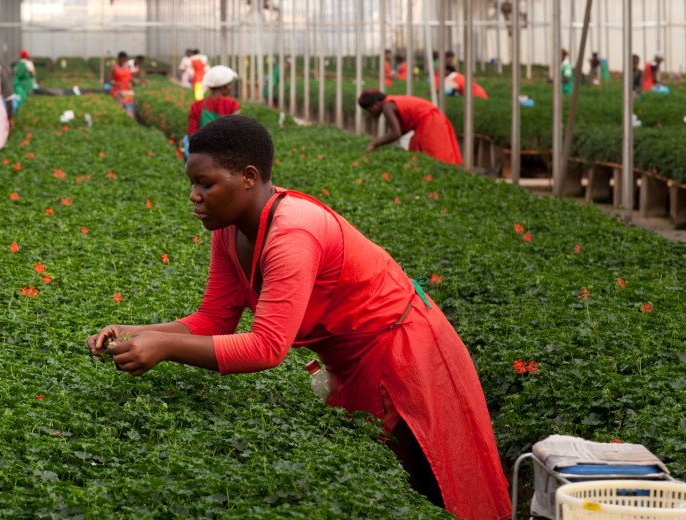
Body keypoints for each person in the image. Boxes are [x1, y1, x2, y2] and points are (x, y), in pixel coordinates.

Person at [87, 115, 511, 520]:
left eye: (206, 183)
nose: (194, 195)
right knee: (384, 480)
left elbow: (267, 348)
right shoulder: (228, 229)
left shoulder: (293, 233)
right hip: (354, 357)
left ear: (249, 177)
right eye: (192, 183)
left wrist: (164, 347)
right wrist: (135, 331)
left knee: (429, 486)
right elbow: (215, 318)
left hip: (405, 355)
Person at [358, 90, 462, 165]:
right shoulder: (391, 102)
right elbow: (400, 131)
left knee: (434, 155)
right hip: (430, 120)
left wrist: (375, 143)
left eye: (370, 109)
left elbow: (396, 133)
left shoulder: (387, 106)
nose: (371, 113)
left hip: (431, 122)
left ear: (377, 104)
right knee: (418, 154)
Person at [187, 65, 240, 136]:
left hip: (202, 146)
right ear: (225, 86)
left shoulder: (197, 106)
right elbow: (237, 132)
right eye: (230, 84)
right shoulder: (232, 104)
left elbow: (192, 133)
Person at [110, 52, 136, 117]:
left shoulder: (127, 67)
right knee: (120, 106)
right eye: (122, 60)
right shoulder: (114, 67)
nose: (123, 61)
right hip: (117, 90)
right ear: (118, 59)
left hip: (127, 90)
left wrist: (134, 82)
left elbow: (130, 77)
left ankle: (130, 119)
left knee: (130, 107)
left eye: (125, 60)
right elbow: (109, 79)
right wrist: (114, 83)